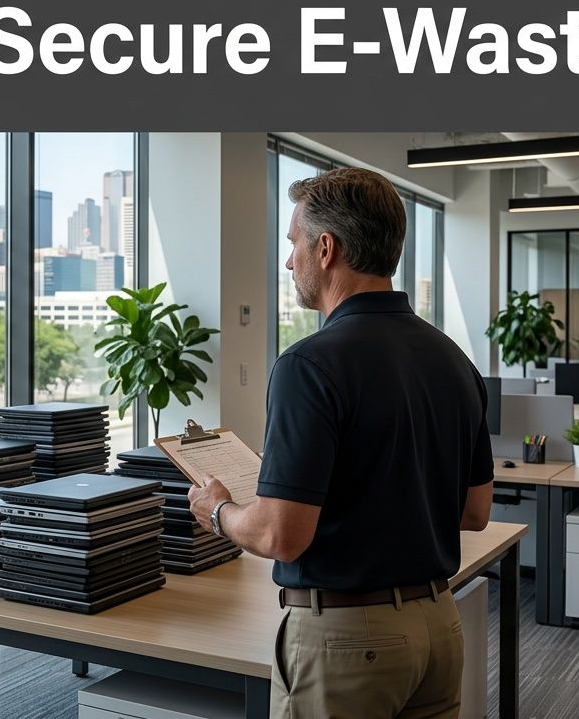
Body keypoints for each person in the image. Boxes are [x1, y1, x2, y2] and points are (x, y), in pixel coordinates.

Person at [188, 167, 494, 719]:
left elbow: (283, 536)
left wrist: (218, 511)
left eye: (294, 244)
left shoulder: (309, 365)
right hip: (439, 628)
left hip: (351, 641)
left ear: (326, 248)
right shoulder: (454, 361)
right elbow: (475, 511)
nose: (289, 262)